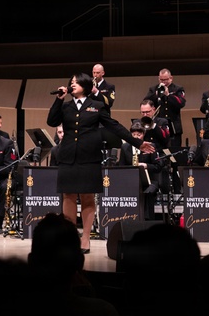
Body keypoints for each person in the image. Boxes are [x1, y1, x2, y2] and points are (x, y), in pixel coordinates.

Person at [49, 72, 155, 253]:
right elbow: (51, 121)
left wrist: (137, 142)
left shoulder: (96, 106)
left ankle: (85, 238)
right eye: (71, 82)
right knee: (68, 196)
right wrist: (59, 99)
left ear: (85, 85)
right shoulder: (65, 106)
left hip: (89, 156)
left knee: (87, 197)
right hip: (68, 156)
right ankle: (71, 237)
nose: (72, 84)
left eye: (76, 82)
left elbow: (115, 126)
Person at [119, 120, 162, 219]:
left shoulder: (150, 146)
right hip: (130, 181)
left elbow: (158, 166)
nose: (136, 137)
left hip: (149, 181)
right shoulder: (125, 147)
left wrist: (146, 165)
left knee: (147, 192)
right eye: (133, 135)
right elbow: (121, 166)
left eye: (138, 135)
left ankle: (146, 220)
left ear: (143, 134)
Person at [145, 68, 187, 151]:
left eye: (166, 79)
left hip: (174, 126)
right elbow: (145, 102)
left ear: (171, 78)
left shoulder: (178, 89)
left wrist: (168, 95)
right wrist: (155, 95)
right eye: (161, 80)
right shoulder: (153, 89)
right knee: (161, 149)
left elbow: (181, 103)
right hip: (159, 125)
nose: (163, 82)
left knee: (174, 151)